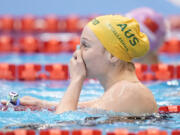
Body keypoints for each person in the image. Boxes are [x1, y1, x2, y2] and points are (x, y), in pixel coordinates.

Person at [1, 15, 158, 115]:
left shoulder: (127, 91)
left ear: (112, 55)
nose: (78, 52)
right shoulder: (121, 91)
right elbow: (90, 108)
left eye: (85, 45)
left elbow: (62, 128)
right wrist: (41, 104)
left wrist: (76, 80)